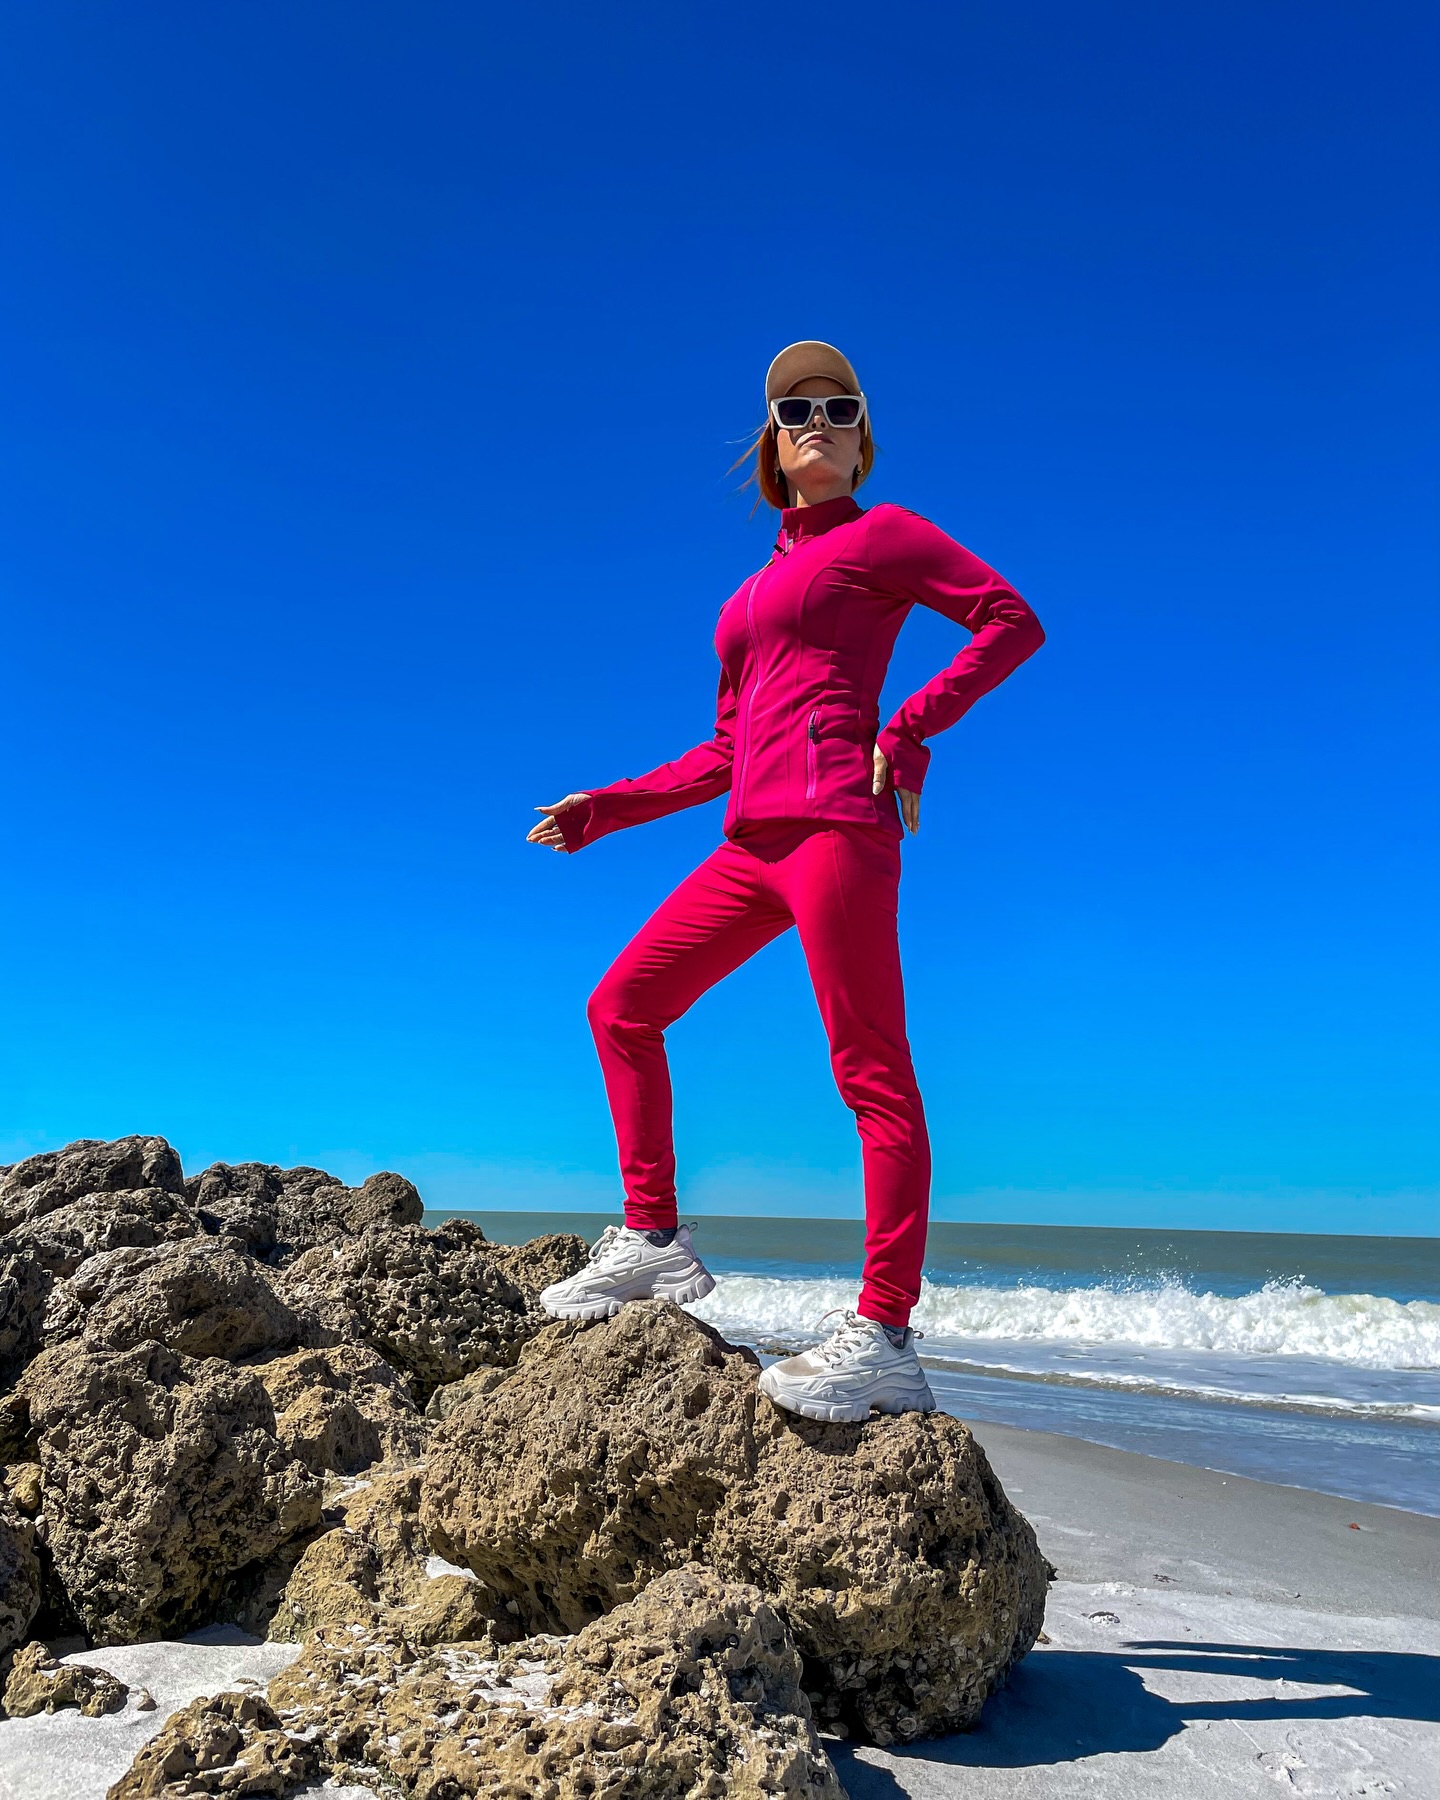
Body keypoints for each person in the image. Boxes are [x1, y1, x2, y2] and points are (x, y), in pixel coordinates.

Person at [526, 341, 1045, 1422]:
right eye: (795, 407)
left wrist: (907, 728)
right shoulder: (747, 599)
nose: (817, 418)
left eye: (840, 407)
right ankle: (654, 1240)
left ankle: (886, 1334)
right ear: (772, 441)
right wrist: (607, 808)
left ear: (861, 439)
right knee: (622, 1005)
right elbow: (720, 752)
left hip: (839, 832)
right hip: (748, 844)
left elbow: (1009, 621)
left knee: (871, 1074)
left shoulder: (884, 535)